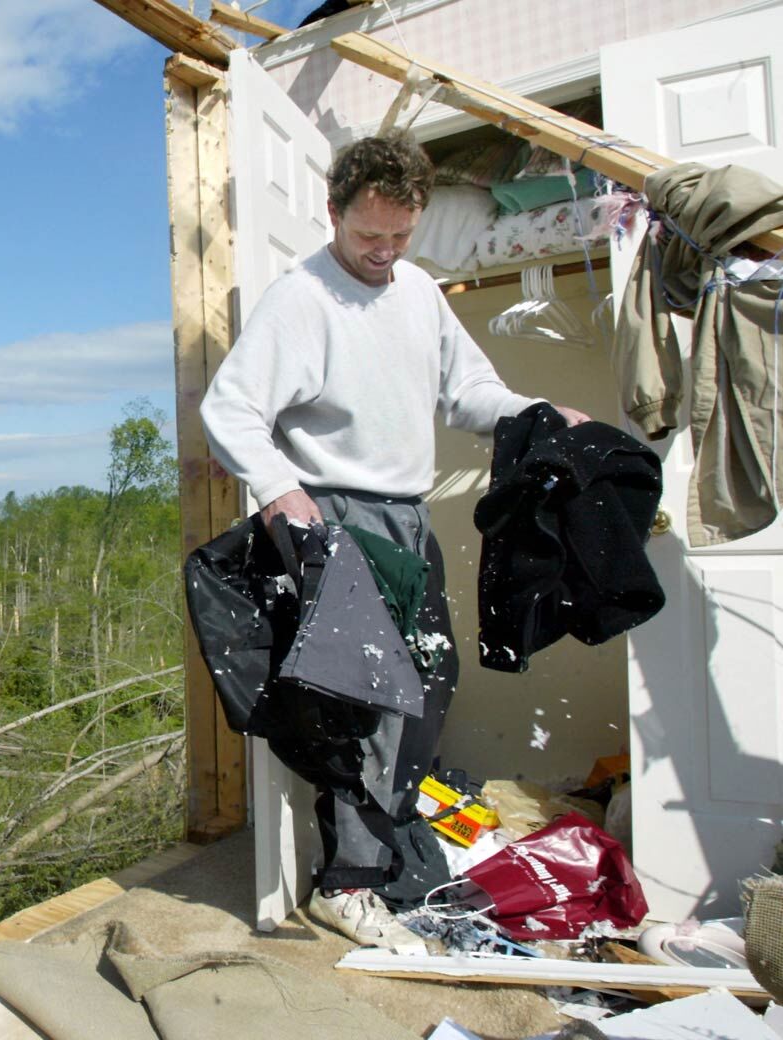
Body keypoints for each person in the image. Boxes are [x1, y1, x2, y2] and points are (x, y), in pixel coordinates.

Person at [199, 132, 589, 952]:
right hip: (335, 519)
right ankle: (348, 885)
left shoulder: (418, 291)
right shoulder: (301, 298)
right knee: (366, 705)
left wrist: (539, 415)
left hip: (408, 518)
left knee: (429, 689)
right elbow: (229, 408)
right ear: (334, 213)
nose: (383, 252)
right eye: (368, 235)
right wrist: (280, 491)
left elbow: (469, 392)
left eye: (399, 236)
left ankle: (381, 853)